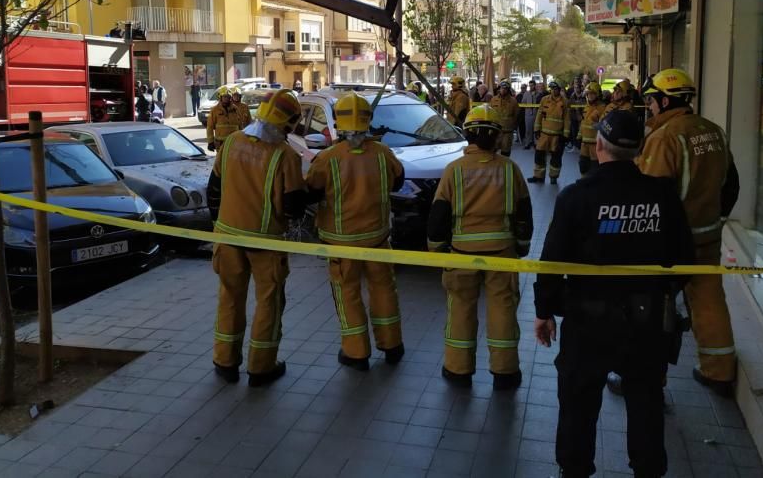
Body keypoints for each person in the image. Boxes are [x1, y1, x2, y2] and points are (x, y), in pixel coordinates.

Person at [533, 110, 695, 478]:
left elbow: (551, 261)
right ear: (638, 150)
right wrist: (661, 293)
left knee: (577, 403)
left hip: (588, 321)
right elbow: (685, 259)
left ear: (599, 145)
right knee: (646, 402)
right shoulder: (663, 196)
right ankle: (648, 469)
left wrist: (545, 311)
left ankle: (574, 470)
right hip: (646, 320)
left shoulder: (577, 197)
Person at [629, 68, 740, 397]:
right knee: (709, 300)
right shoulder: (713, 132)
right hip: (707, 235)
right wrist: (716, 220)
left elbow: (652, 194)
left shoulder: (665, 137)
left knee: (653, 308)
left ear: (665, 100)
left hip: (669, 243)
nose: (649, 107)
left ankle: (649, 380)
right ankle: (719, 371)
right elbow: (731, 185)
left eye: (651, 101)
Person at [427, 105, 533, 389]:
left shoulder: (453, 171)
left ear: (468, 136)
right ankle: (505, 372)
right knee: (503, 311)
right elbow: (524, 214)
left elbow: (438, 215)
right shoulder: (511, 170)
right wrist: (521, 247)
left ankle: (458, 370)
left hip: (462, 255)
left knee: (461, 309)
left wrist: (438, 250)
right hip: (502, 255)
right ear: (497, 137)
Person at [206, 89, 306, 386]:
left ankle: (225, 362)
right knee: (269, 302)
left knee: (230, 299)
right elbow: (293, 208)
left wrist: (220, 226)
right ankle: (261, 367)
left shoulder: (233, 142)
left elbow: (214, 188)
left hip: (228, 237)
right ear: (287, 123)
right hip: (266, 243)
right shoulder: (285, 155)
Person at [305, 92, 406, 370]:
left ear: (338, 121)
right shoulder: (384, 153)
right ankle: (392, 345)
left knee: (348, 295)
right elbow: (398, 183)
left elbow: (310, 191)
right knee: (384, 291)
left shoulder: (328, 158)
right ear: (368, 120)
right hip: (377, 239)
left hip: (341, 244)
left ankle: (356, 352)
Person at [529, 81, 570, 185]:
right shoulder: (544, 100)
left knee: (556, 158)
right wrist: (536, 129)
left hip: (557, 136)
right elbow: (539, 115)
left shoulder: (564, 102)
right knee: (539, 155)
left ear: (559, 89)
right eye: (552, 89)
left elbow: (567, 119)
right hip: (544, 134)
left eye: (555, 89)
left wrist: (565, 135)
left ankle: (553, 177)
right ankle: (538, 177)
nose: (553, 91)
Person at [577, 81, 606, 176]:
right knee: (583, 165)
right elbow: (583, 123)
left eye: (592, 94)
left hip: (595, 144)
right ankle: (584, 185)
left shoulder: (602, 108)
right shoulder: (587, 107)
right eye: (588, 94)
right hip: (584, 144)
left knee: (595, 168)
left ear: (597, 95)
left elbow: (604, 126)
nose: (590, 96)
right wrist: (579, 137)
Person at [489, 81, 519, 157]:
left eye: (505, 88)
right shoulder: (493, 99)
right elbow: (490, 113)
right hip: (495, 130)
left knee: (505, 152)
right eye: (502, 88)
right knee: (492, 151)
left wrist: (513, 125)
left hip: (507, 131)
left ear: (508, 89)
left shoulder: (513, 101)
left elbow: (516, 115)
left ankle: (505, 167)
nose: (503, 90)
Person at [567, 77, 586, 151]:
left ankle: (580, 146)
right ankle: (574, 146)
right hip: (573, 117)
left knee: (581, 132)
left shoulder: (584, 96)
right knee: (574, 132)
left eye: (577, 88)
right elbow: (569, 105)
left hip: (582, 117)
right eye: (574, 88)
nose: (576, 89)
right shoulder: (572, 96)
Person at [520, 83, 537, 149]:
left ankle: (535, 143)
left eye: (532, 85)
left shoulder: (538, 93)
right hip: (528, 114)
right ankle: (528, 143)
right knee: (528, 129)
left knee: (536, 129)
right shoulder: (526, 93)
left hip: (536, 114)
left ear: (534, 86)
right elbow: (523, 102)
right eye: (530, 85)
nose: (531, 86)